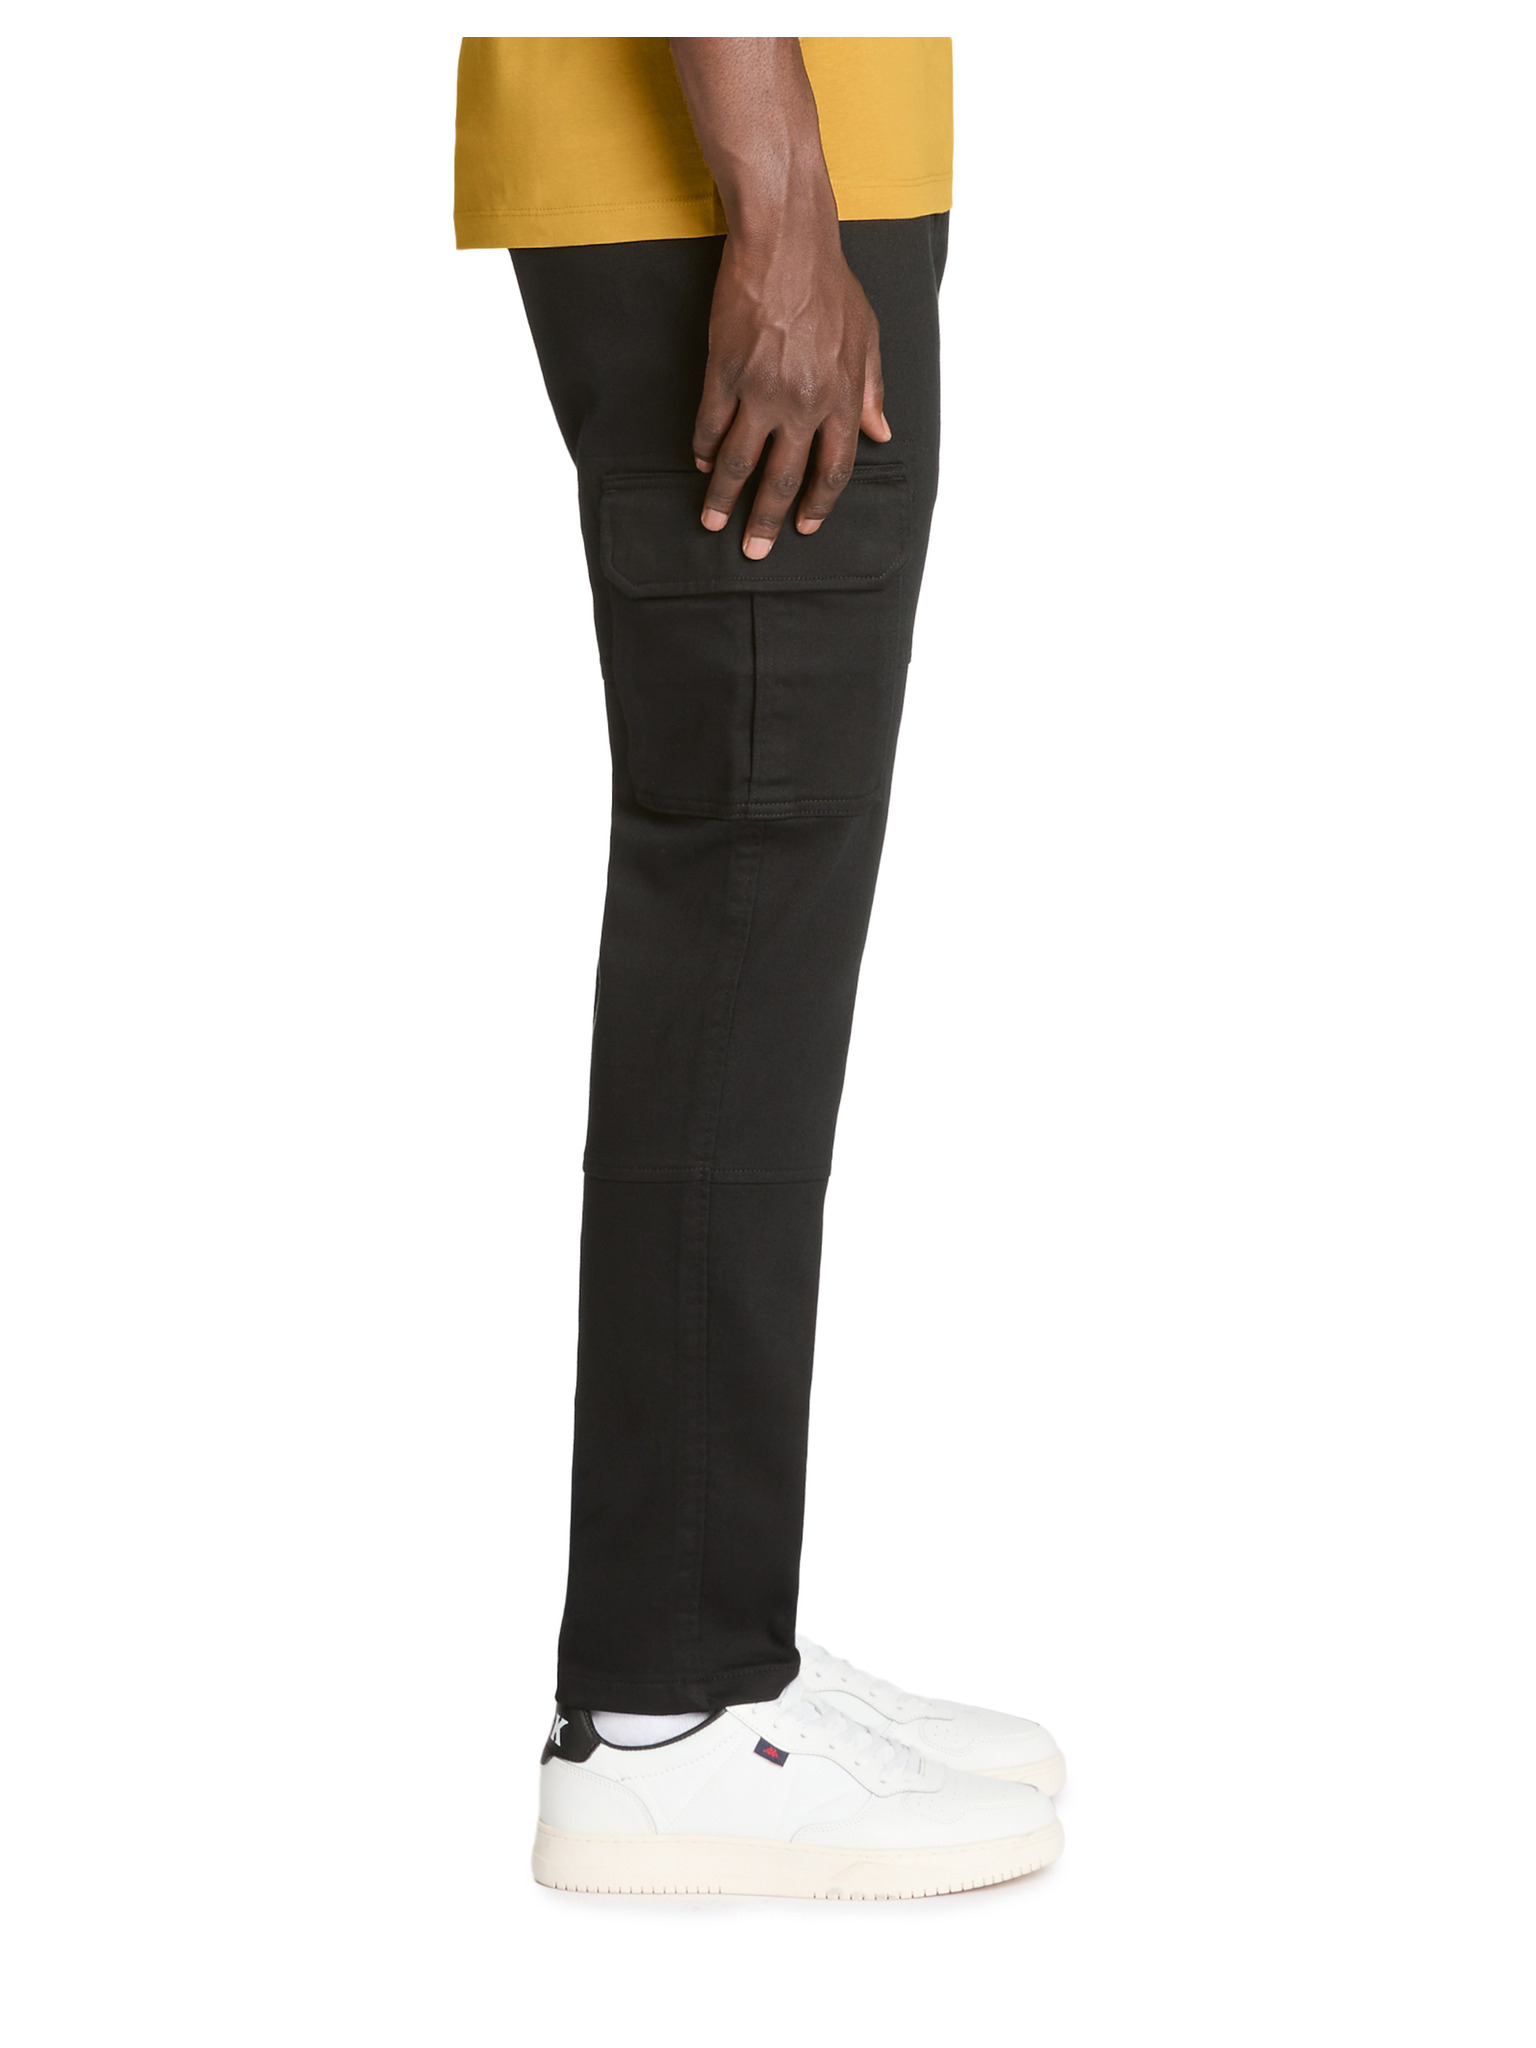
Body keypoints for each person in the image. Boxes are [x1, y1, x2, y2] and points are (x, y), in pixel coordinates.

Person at [456, 35, 1065, 1899]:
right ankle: (668, 1703)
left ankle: (728, 1645)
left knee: (760, 893)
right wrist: (782, 199)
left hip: (777, 159)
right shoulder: (763, 192)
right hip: (727, 174)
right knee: (743, 878)